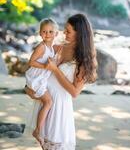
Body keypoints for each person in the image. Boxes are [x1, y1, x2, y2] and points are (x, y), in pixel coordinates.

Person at [26, 13, 97, 150]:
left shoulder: (83, 59)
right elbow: (37, 67)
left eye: (68, 31)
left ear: (79, 34)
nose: (64, 33)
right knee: (44, 144)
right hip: (44, 101)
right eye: (65, 29)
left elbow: (75, 92)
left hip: (59, 108)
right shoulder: (59, 47)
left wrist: (55, 69)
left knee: (56, 146)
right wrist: (29, 88)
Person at [24, 18, 59, 145]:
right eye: (44, 31)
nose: (47, 34)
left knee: (46, 102)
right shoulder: (41, 47)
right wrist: (45, 67)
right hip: (36, 79)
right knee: (48, 102)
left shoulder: (52, 48)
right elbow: (31, 62)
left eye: (50, 31)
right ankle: (38, 130)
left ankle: (40, 128)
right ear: (40, 33)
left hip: (41, 78)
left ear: (56, 34)